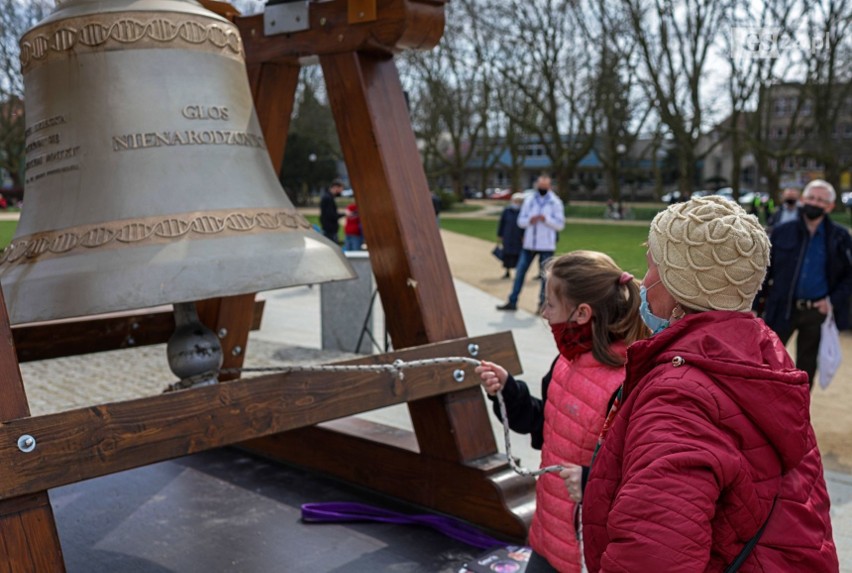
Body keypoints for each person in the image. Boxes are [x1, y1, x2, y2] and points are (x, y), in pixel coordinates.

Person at [579, 196, 838, 572]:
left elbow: (654, 556)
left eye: (652, 267)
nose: (643, 281)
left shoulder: (681, 398)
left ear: (683, 289)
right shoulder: (760, 351)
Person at [476, 251, 648, 572]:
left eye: (550, 304)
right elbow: (547, 425)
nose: (543, 313)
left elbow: (640, 478)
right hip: (547, 536)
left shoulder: (627, 384)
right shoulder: (567, 363)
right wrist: (508, 391)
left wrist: (589, 482)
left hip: (587, 553)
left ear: (582, 313)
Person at [756, 179, 852, 390]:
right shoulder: (782, 232)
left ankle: (798, 415)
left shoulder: (840, 237)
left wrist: (832, 302)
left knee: (806, 370)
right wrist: (755, 305)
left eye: (821, 200)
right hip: (781, 307)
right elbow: (765, 271)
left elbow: (848, 276)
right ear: (802, 200)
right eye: (811, 198)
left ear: (830, 206)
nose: (814, 203)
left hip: (816, 312)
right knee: (765, 362)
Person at [497, 175, 565, 312]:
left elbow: (560, 225)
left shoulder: (555, 202)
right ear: (536, 186)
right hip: (529, 245)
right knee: (520, 273)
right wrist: (530, 220)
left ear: (550, 186)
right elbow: (520, 221)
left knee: (545, 278)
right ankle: (512, 301)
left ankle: (542, 305)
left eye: (545, 187)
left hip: (546, 245)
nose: (542, 189)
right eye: (540, 186)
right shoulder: (529, 201)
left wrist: (546, 219)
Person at [496, 192, 525, 279]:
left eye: (519, 201)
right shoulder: (507, 211)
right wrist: (500, 234)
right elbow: (502, 223)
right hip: (508, 235)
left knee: (517, 255)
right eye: (516, 201)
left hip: (518, 237)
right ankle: (507, 271)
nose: (517, 203)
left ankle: (517, 272)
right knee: (507, 254)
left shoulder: (523, 212)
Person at [319, 180, 344, 244]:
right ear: (335, 187)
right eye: (341, 189)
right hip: (330, 231)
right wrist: (344, 214)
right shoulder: (328, 198)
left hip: (328, 229)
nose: (341, 191)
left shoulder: (328, 197)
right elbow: (331, 215)